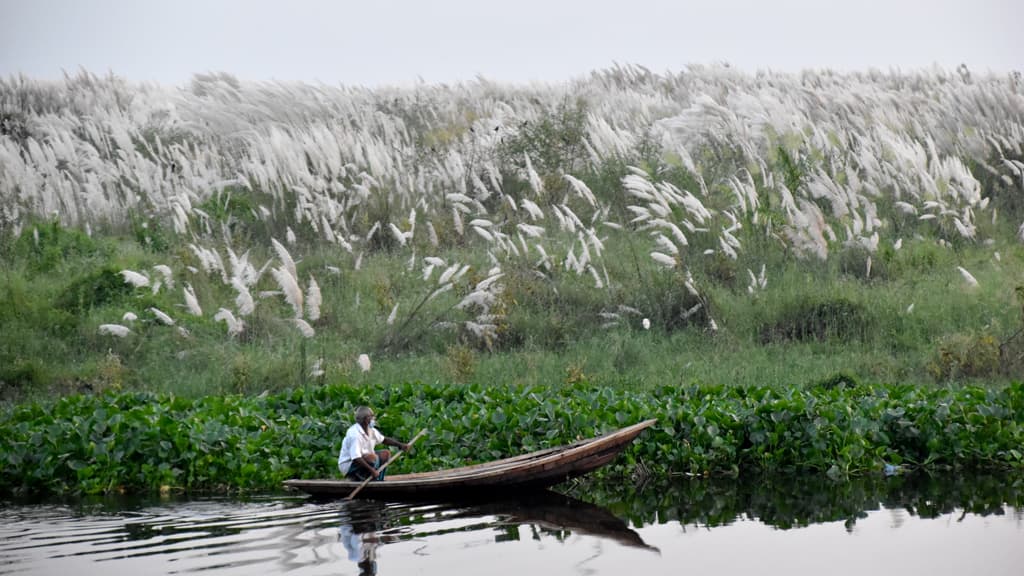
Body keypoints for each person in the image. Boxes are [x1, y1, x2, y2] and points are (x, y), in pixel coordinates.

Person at [338, 406, 410, 481]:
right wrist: (372, 470)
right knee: (373, 457)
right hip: (349, 465)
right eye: (371, 417)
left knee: (385, 454)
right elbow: (356, 458)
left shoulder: (371, 430)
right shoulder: (354, 434)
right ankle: (358, 477)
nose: (373, 419)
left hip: (364, 459)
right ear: (366, 419)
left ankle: (378, 480)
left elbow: (384, 440)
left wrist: (400, 445)